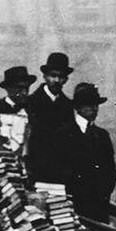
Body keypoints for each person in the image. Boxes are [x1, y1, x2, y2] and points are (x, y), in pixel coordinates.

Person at [58, 82, 116, 231]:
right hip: (74, 205)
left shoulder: (102, 135)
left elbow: (111, 170)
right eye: (89, 105)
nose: (94, 109)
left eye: (96, 105)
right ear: (78, 107)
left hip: (99, 205)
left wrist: (103, 193)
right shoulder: (64, 134)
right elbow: (62, 170)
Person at [24, 51, 75, 184]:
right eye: (53, 76)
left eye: (61, 77)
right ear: (45, 76)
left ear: (66, 79)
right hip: (36, 170)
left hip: (60, 172)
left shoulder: (68, 106)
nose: (57, 80)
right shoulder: (30, 102)